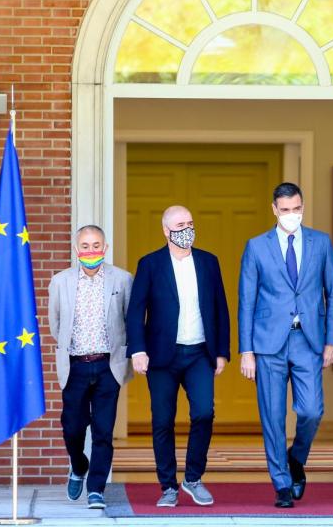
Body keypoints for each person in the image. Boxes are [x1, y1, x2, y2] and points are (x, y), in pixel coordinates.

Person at [238, 182, 333, 508]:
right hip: (268, 343)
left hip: (307, 340)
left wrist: (331, 341)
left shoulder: (320, 243)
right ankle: (282, 484)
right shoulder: (256, 247)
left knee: (311, 410)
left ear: (302, 207)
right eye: (285, 210)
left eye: (296, 209)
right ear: (274, 209)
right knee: (272, 417)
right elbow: (246, 301)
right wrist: (246, 351)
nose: (291, 215)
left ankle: (295, 458)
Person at [126, 206, 231, 508]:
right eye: (180, 225)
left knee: (204, 413)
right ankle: (168, 486)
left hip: (199, 353)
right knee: (162, 420)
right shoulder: (150, 264)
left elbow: (220, 308)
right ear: (166, 230)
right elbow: (136, 311)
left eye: (190, 223)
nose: (187, 229)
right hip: (161, 357)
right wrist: (138, 350)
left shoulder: (209, 262)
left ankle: (193, 478)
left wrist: (222, 352)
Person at [47, 224, 133, 510]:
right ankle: (78, 465)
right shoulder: (60, 282)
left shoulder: (122, 280)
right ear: (76, 249)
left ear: (105, 248)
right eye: (85, 246)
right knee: (72, 427)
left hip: (109, 366)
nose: (91, 250)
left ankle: (96, 489)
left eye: (96, 245)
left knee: (103, 431)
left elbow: (129, 321)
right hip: (75, 366)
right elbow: (55, 324)